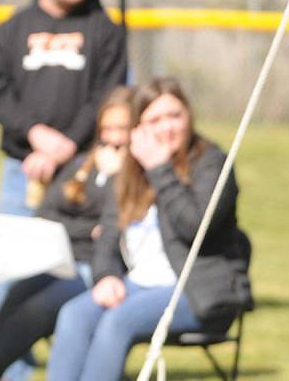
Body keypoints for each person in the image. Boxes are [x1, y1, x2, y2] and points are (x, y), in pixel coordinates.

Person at [0, 0, 127, 379]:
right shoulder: (15, 27)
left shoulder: (103, 28)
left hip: (86, 168)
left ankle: (79, 359)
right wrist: (35, 134)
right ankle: (11, 367)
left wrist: (68, 142)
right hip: (23, 166)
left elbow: (109, 90)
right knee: (16, 268)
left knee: (81, 263)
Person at [46, 77, 253, 381]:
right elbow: (108, 234)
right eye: (155, 119)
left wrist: (160, 169)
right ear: (138, 128)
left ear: (189, 116)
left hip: (198, 289)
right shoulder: (131, 168)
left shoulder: (212, 164)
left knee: (117, 322)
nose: (167, 127)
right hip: (138, 284)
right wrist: (107, 276)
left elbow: (195, 226)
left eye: (175, 116)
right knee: (74, 315)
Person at [0, 85, 135, 381]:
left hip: (101, 272)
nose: (113, 140)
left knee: (36, 311)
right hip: (62, 261)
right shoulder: (82, 165)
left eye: (122, 130)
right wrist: (89, 229)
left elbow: (115, 227)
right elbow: (45, 215)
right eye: (107, 130)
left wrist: (118, 176)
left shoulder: (137, 174)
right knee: (16, 297)